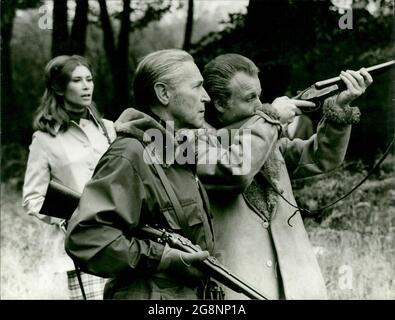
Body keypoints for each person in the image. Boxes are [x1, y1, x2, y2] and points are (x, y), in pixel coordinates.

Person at [199, 53, 372, 299]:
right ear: (218, 103)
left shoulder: (268, 140)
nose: (260, 105)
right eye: (250, 98)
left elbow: (322, 157)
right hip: (240, 288)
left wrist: (340, 107)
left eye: (259, 95)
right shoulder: (197, 147)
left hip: (296, 285)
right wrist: (272, 120)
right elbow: (235, 169)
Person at [64, 49, 217, 300]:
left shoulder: (177, 152)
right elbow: (86, 237)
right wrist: (163, 258)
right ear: (163, 93)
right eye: (197, 87)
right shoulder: (129, 153)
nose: (207, 97)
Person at [22, 55, 116, 299]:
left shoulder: (108, 129)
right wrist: (66, 218)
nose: (86, 86)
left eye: (89, 79)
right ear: (59, 87)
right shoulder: (45, 139)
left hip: (120, 241)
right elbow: (33, 198)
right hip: (81, 246)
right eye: (77, 80)